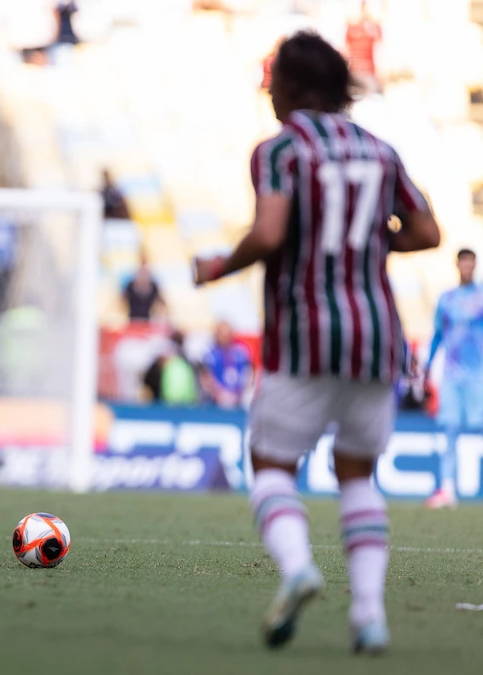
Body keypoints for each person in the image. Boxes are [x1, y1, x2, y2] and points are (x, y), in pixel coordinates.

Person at [193, 31, 440, 654]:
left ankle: (299, 566)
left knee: (272, 465)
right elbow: (428, 231)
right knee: (358, 473)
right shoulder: (380, 151)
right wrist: (371, 242)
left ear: (297, 87)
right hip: (377, 336)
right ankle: (368, 615)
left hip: (303, 333)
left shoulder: (280, 150)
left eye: (274, 80)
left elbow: (271, 232)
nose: (269, 91)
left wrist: (219, 267)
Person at [423, 248, 483, 510]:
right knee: (449, 429)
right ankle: (447, 489)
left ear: (475, 265)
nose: (467, 266)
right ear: (457, 265)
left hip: (478, 373)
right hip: (451, 373)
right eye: (464, 262)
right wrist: (426, 366)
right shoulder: (446, 298)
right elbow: (437, 334)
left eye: (471, 262)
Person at [200, 320, 253, 408]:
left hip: (239, 401)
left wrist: (240, 394)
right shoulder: (210, 354)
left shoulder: (241, 353)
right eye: (222, 333)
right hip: (216, 403)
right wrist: (219, 394)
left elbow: (248, 374)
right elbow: (206, 378)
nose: (224, 337)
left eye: (227, 333)